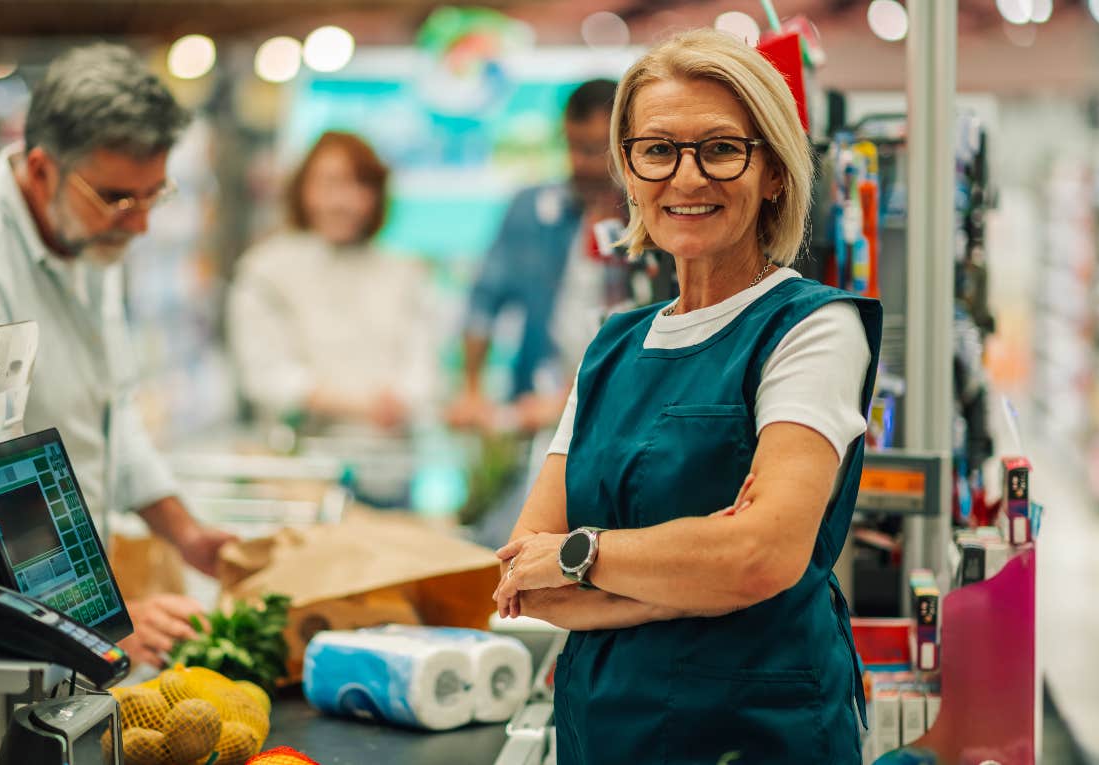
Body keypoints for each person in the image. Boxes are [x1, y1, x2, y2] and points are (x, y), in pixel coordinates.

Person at [491, 29, 882, 763]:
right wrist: (705, 577)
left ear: (772, 171)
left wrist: (581, 551)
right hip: (605, 732)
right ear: (630, 173)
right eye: (659, 150)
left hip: (756, 735)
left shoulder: (812, 328)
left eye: (722, 148)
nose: (688, 178)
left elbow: (762, 553)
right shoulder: (612, 346)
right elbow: (526, 579)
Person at [0, 44, 234, 667]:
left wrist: (184, 531)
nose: (139, 224)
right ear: (41, 170)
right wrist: (93, 623)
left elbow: (110, 413)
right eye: (119, 198)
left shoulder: (85, 242)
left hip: (62, 635)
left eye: (153, 195)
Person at [445, 78, 629, 434]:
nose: (584, 163)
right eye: (574, 146)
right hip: (535, 407)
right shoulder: (531, 209)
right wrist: (471, 390)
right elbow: (482, 302)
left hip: (619, 411)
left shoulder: (654, 221)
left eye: (596, 149)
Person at [228, 131, 435, 433]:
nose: (343, 201)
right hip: (298, 455)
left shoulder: (404, 272)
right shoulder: (265, 270)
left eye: (359, 185)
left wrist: (402, 398)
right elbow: (264, 375)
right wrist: (353, 404)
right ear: (302, 189)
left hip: (388, 461)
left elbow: (423, 368)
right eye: (330, 184)